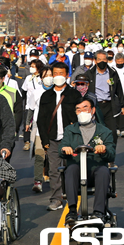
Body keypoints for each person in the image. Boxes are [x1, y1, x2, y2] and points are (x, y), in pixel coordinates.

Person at [60, 98, 116, 225]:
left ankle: (99, 212)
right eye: (78, 109)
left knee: (103, 170)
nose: (82, 112)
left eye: (85, 108)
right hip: (78, 171)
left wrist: (104, 150)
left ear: (93, 110)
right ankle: (72, 211)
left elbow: (112, 155)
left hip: (95, 170)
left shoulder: (104, 131)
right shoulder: (70, 130)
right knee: (71, 168)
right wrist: (65, 149)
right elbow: (61, 148)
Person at [37, 62, 81, 211]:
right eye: (55, 73)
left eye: (61, 74)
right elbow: (41, 120)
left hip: (70, 139)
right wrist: (45, 141)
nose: (58, 77)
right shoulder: (46, 95)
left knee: (71, 169)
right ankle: (56, 199)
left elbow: (79, 117)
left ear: (67, 75)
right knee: (54, 170)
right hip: (52, 139)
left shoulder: (74, 94)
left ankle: (72, 197)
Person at [84, 50, 124, 146]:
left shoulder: (112, 73)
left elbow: (119, 89)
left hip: (109, 105)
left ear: (107, 60)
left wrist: (122, 105)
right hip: (95, 106)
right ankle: (98, 154)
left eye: (104, 59)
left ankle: (110, 154)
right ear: (95, 61)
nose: (102, 62)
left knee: (112, 132)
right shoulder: (89, 74)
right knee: (95, 132)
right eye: (99, 59)